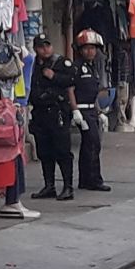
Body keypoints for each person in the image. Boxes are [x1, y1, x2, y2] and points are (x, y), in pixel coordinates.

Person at [28, 34, 78, 201]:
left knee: (62, 150)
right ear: (36, 48)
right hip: (40, 114)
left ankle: (68, 187)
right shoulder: (32, 65)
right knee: (44, 151)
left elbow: (72, 80)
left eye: (48, 45)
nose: (45, 49)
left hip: (57, 113)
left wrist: (54, 76)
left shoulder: (61, 63)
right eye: (42, 46)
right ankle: (49, 186)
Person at [73, 30, 111, 192]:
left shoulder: (92, 68)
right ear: (80, 50)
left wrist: (100, 112)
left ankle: (85, 179)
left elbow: (93, 93)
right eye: (87, 48)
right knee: (93, 143)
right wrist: (75, 111)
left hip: (91, 110)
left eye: (93, 48)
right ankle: (94, 179)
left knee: (89, 145)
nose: (91, 52)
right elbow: (70, 90)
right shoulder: (76, 68)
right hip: (81, 111)